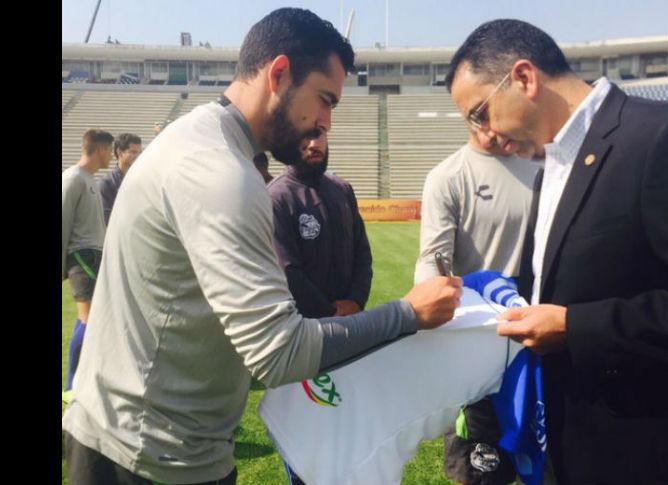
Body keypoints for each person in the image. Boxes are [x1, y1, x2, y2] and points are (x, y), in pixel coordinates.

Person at [62, 8, 461, 485]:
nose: (327, 122)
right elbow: (278, 352)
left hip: (134, 436)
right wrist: (407, 314)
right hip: (147, 455)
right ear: (279, 74)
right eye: (325, 100)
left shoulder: (198, 140)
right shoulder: (222, 172)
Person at [446, 19, 668, 484]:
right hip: (568, 449)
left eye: (481, 112)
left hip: (652, 454)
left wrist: (574, 327)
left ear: (523, 78)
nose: (485, 133)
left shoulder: (666, 137)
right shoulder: (549, 169)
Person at [415, 129, 538, 485]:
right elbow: (432, 259)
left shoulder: (544, 166)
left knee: (546, 466)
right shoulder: (448, 176)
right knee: (481, 475)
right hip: (482, 356)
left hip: (541, 348)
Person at [270, 130, 372, 319]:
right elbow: (288, 270)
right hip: (304, 326)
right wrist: (330, 312)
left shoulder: (342, 189)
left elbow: (362, 251)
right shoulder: (276, 198)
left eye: (318, 135)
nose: (313, 145)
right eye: (304, 136)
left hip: (353, 320)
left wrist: (356, 300)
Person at [61, 129, 114, 392]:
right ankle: (71, 389)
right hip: (82, 257)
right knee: (88, 321)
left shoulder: (90, 180)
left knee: (89, 319)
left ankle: (78, 384)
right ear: (101, 149)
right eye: (110, 151)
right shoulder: (72, 179)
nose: (111, 157)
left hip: (94, 256)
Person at [98, 133, 142, 226]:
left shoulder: (142, 180)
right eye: (133, 152)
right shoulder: (107, 184)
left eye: (140, 153)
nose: (138, 156)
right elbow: (106, 220)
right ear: (120, 152)